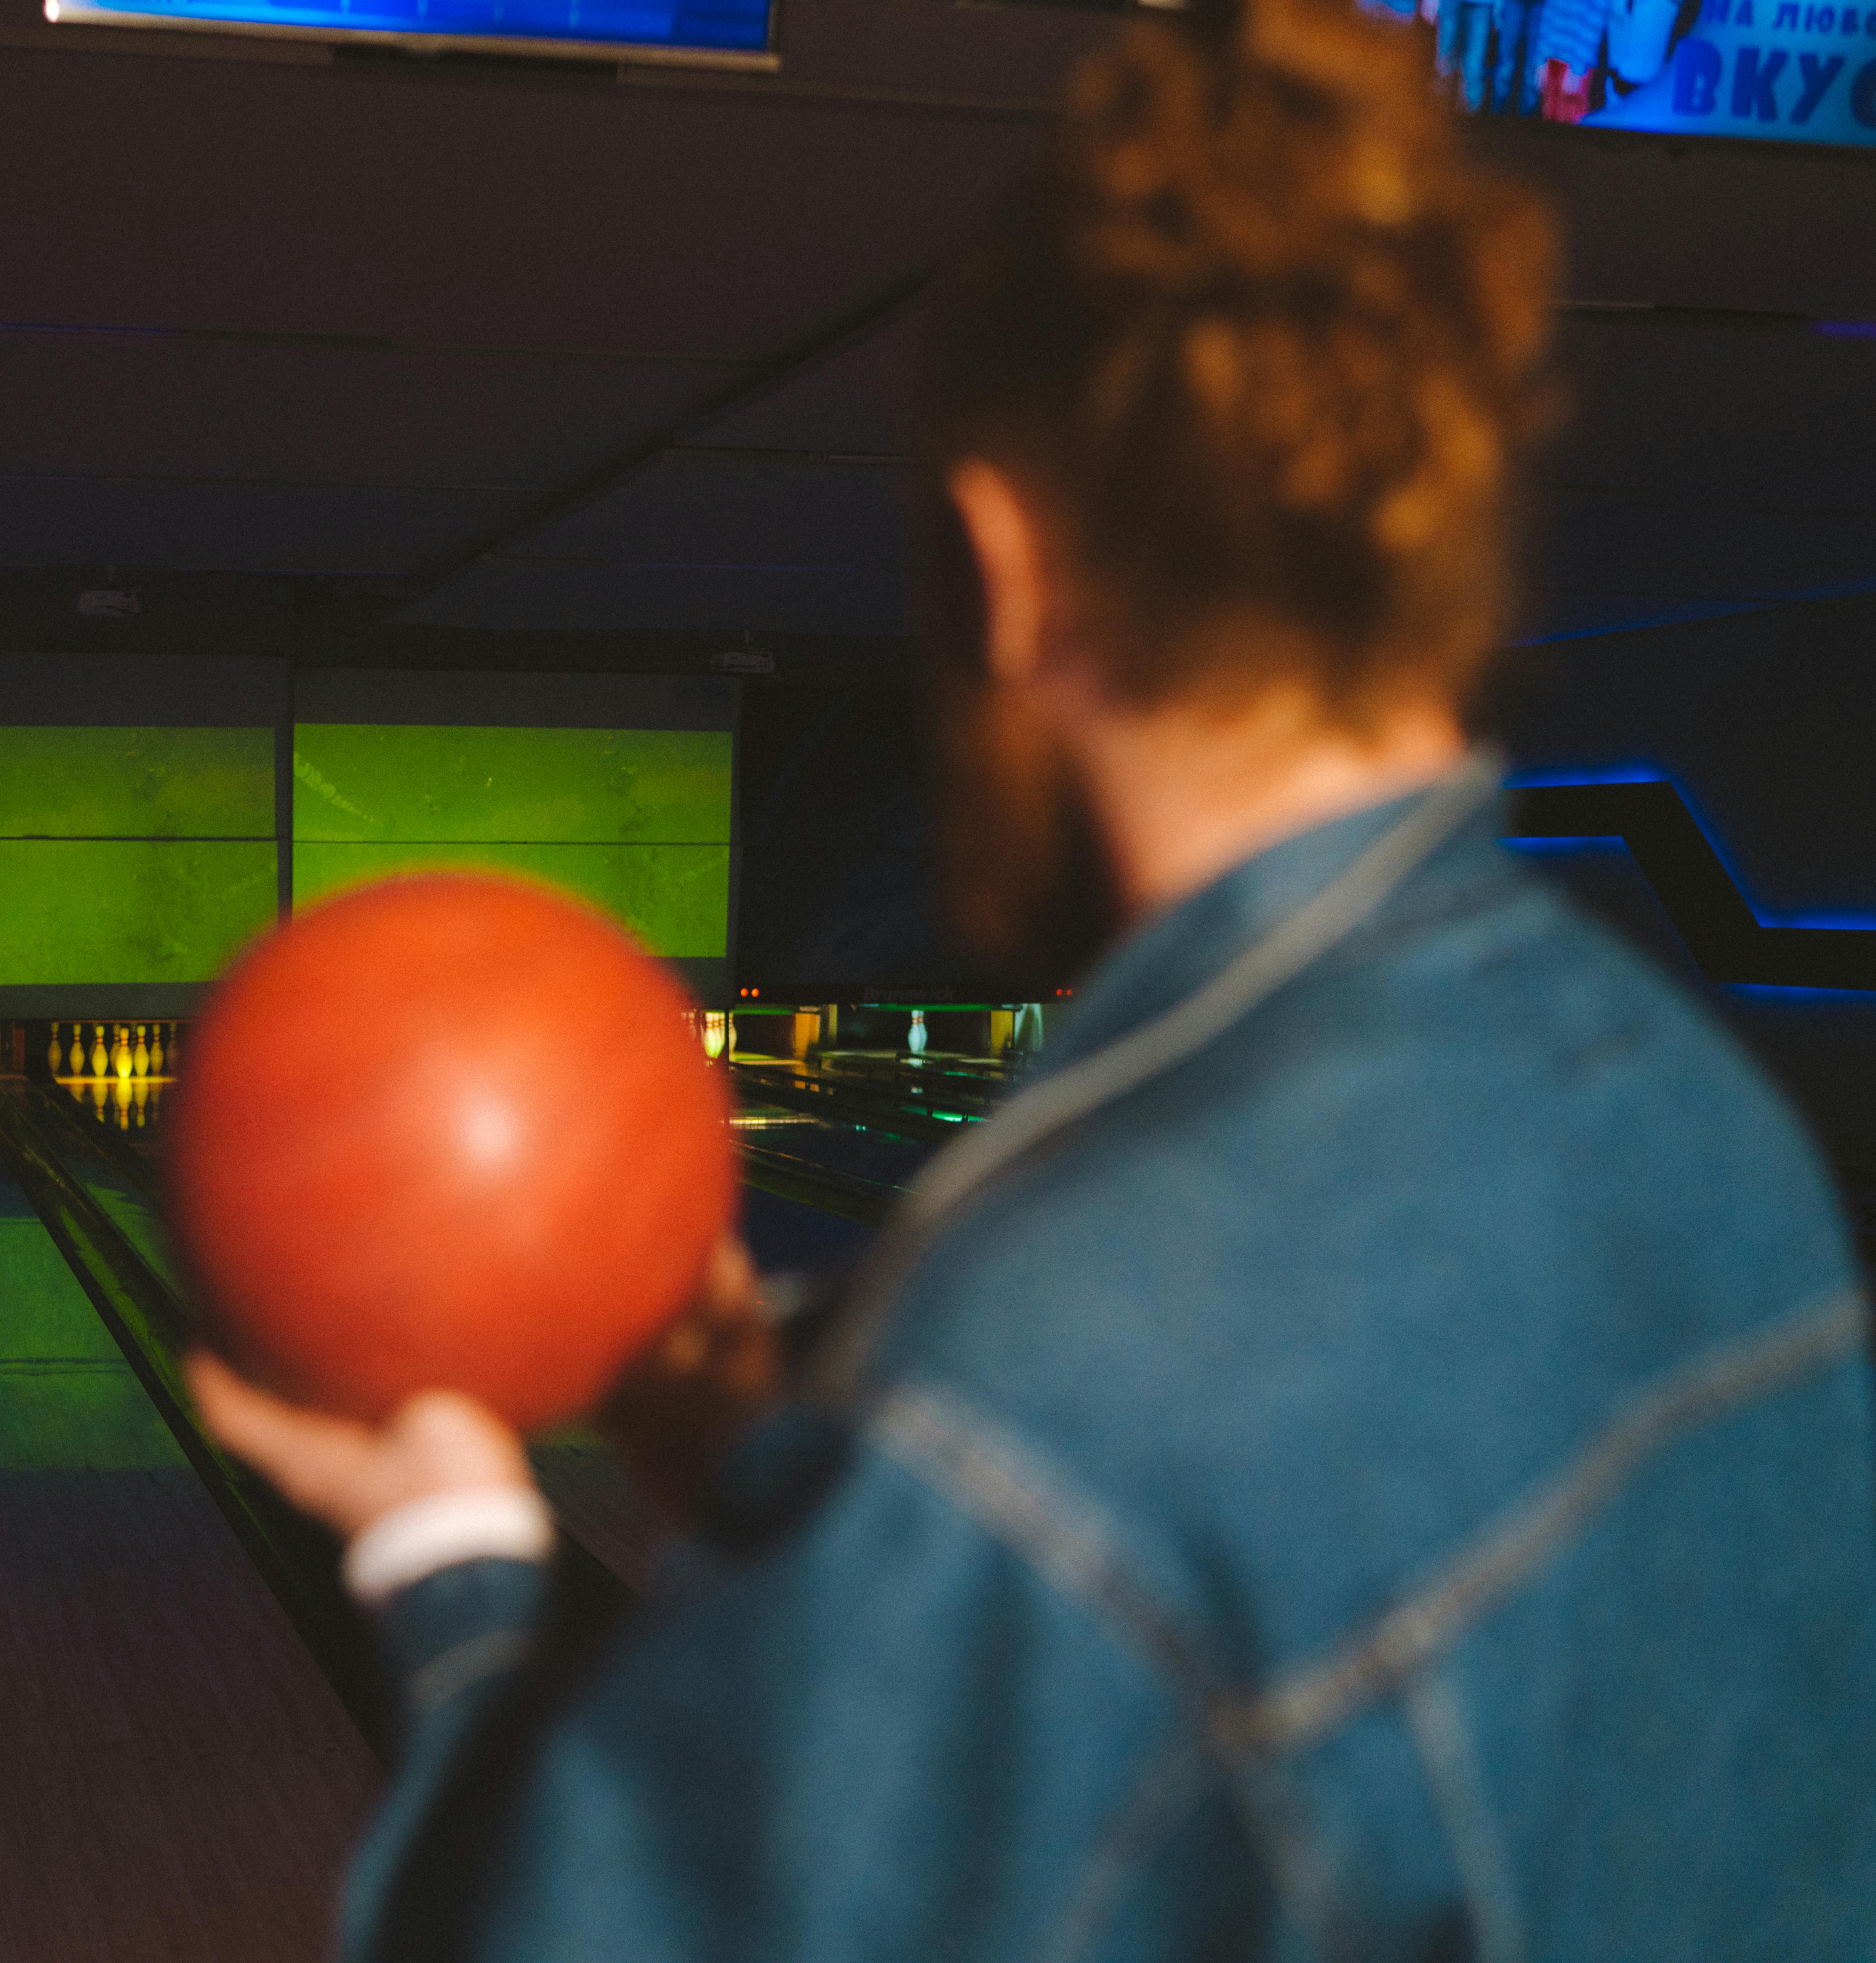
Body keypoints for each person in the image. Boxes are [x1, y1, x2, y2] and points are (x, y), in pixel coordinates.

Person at [190, 0, 1876, 1952]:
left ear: (1001, 561)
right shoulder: (1715, 1124)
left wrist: (450, 1546)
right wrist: (802, 1476)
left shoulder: (1043, 1388)